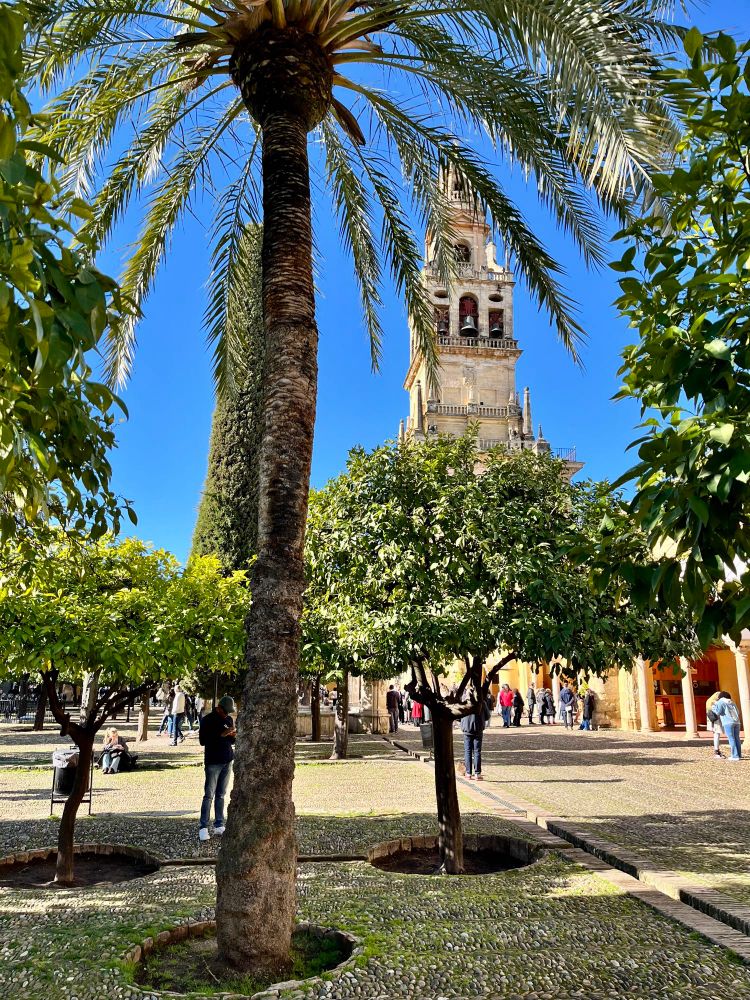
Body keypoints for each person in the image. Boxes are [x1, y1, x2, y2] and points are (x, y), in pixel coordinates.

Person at [198, 695, 237, 840]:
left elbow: (231, 740)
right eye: (225, 711)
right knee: (209, 795)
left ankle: (219, 824)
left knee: (221, 794)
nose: (227, 714)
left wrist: (232, 735)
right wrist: (221, 734)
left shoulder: (228, 720)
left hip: (227, 759)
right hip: (213, 761)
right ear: (219, 708)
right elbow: (203, 741)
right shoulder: (208, 720)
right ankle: (203, 826)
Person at [460, 700, 489, 780]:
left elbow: (458, 715)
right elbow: (487, 716)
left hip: (467, 729)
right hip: (478, 728)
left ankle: (468, 773)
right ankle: (477, 774)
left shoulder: (464, 701)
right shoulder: (482, 702)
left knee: (467, 751)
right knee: (477, 751)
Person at [712, 691, 742, 761]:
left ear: (721, 696)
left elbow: (718, 712)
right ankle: (739, 755)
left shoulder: (721, 702)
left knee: (731, 738)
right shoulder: (732, 702)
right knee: (737, 738)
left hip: (728, 722)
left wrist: (713, 707)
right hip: (737, 722)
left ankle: (734, 756)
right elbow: (738, 712)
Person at [705, 689, 725, 758]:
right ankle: (716, 751)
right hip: (715, 721)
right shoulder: (714, 702)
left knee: (716, 735)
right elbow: (717, 711)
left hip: (712, 721)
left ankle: (717, 750)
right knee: (716, 735)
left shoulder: (709, 701)